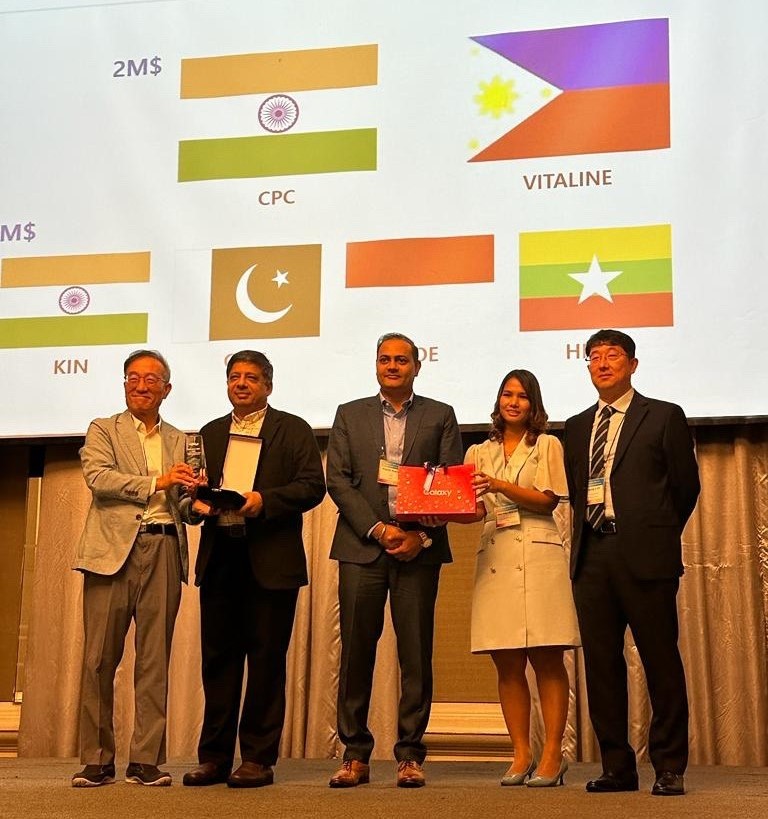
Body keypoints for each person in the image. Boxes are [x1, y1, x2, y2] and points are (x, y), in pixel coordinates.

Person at [563, 329, 700, 797]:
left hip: (646, 556)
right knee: (602, 667)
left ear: (633, 365)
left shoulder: (662, 416)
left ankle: (669, 766)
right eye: (594, 357)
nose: (602, 364)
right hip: (592, 556)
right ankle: (617, 767)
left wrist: (654, 533)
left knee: (661, 662)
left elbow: (685, 487)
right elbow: (578, 491)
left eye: (613, 356)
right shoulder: (576, 426)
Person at [183, 350, 325, 788]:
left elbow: (312, 486)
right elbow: (193, 492)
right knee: (218, 662)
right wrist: (197, 503)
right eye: (234, 377)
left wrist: (265, 501)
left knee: (266, 661)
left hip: (271, 559)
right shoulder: (209, 432)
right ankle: (214, 757)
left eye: (250, 377)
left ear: (268, 385)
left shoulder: (293, 429)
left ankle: (258, 759)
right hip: (221, 557)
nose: (241, 384)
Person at [326, 332, 462, 788]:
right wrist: (379, 529)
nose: (392, 366)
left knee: (415, 654)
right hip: (362, 548)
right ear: (376, 365)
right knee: (355, 652)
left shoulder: (440, 415)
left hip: (417, 551)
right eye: (385, 359)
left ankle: (409, 755)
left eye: (401, 360)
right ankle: (355, 754)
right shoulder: (349, 414)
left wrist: (420, 536)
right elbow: (338, 481)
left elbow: (449, 485)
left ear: (416, 367)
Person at [71, 350, 200, 787]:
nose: (140, 386)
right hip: (110, 552)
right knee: (98, 659)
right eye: (133, 378)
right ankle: (96, 759)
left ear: (167, 389)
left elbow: (184, 505)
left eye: (150, 380)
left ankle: (146, 760)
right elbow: (99, 479)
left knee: (154, 660)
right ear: (124, 384)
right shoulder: (103, 429)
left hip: (164, 547)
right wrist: (158, 482)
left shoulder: (182, 439)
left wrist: (199, 500)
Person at [463, 369, 579, 788]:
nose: (513, 402)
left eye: (522, 396)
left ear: (534, 404)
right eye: (507, 395)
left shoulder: (547, 445)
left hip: (539, 552)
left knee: (547, 656)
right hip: (496, 551)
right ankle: (521, 753)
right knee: (507, 660)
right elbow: (475, 509)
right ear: (498, 401)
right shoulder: (477, 451)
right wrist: (441, 508)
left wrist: (498, 484)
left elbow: (547, 502)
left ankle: (552, 754)